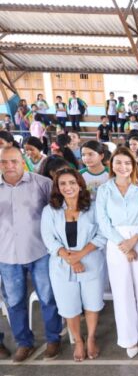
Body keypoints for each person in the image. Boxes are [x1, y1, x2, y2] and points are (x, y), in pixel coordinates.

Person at [96, 147, 138, 358]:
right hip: (116, 245)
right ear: (111, 165)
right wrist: (122, 244)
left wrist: (134, 239)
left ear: (133, 166)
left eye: (127, 163)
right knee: (122, 292)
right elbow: (103, 221)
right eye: (118, 162)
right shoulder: (105, 190)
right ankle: (128, 337)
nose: (122, 167)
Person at [0, 146, 60, 362]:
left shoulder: (42, 184)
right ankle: (24, 343)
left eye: (14, 161)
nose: (9, 166)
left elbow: (57, 213)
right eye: (4, 162)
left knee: (48, 298)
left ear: (22, 161)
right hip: (7, 255)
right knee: (14, 302)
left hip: (40, 252)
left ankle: (53, 339)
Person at [41, 168, 106, 361]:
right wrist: (70, 259)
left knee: (92, 303)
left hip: (91, 261)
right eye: (62, 183)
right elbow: (49, 239)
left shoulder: (93, 207)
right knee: (69, 306)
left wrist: (80, 256)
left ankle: (91, 337)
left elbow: (102, 234)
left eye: (72, 182)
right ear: (57, 187)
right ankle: (78, 340)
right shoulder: (50, 210)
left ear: (80, 185)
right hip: (62, 265)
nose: (68, 187)